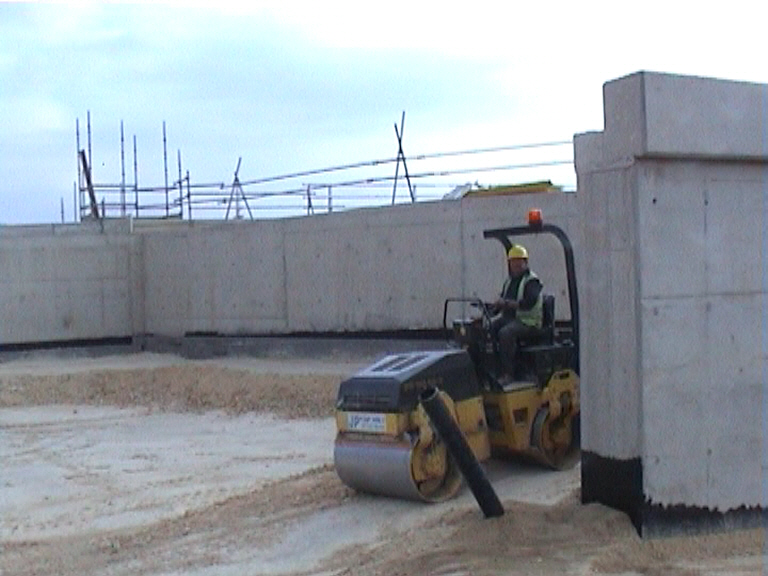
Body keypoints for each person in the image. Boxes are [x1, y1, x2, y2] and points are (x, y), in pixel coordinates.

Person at [490, 244, 543, 380]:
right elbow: (502, 301)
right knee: (489, 328)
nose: (516, 266)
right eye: (513, 262)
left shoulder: (532, 281)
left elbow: (528, 304)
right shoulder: (509, 281)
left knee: (505, 333)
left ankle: (508, 373)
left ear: (525, 262)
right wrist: (488, 314)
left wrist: (506, 304)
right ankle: (492, 370)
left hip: (528, 322)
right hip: (511, 319)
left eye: (519, 262)